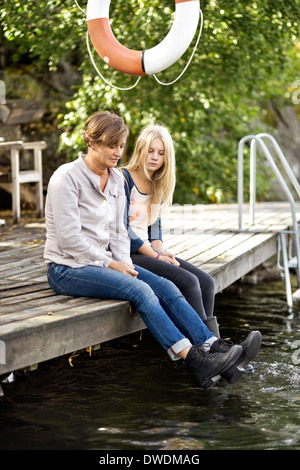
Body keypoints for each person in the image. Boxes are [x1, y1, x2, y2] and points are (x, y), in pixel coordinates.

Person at [44, 111, 260, 390]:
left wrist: (125, 264)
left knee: (167, 286)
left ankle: (214, 347)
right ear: (92, 142)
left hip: (102, 263)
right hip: (67, 268)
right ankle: (195, 360)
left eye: (121, 146)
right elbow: (70, 240)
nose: (118, 153)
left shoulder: (114, 181)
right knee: (142, 291)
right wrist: (113, 265)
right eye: (112, 146)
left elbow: (119, 234)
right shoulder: (67, 177)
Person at [122, 123, 261, 379]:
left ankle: (221, 359)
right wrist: (155, 256)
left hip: (148, 252)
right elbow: (123, 231)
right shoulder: (124, 179)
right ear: (141, 149)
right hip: (126, 254)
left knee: (206, 282)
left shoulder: (155, 184)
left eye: (161, 153)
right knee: (188, 281)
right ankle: (209, 357)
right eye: (151, 151)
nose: (155, 157)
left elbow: (155, 232)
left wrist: (162, 250)